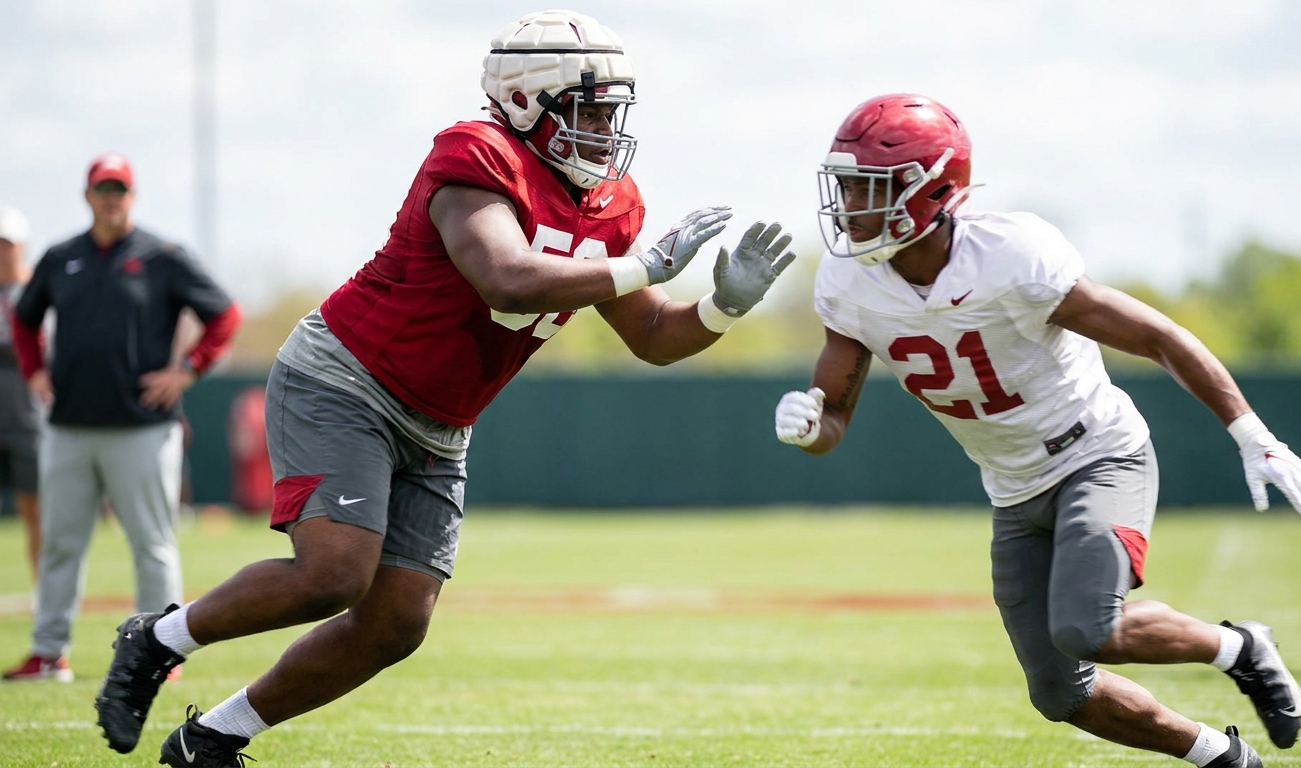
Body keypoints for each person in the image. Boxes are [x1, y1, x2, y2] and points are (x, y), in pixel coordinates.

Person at [93, 10, 796, 766]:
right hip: (349, 380)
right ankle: (158, 638)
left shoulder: (613, 205)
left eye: (609, 110)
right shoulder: (477, 154)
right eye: (586, 108)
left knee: (397, 621)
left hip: (440, 421)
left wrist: (724, 307)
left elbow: (655, 337)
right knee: (334, 574)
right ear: (528, 101)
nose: (602, 127)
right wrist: (645, 267)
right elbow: (507, 275)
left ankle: (213, 738)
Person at [774, 94, 1301, 768]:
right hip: (1012, 486)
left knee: (1086, 627)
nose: (852, 204)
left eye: (871, 186)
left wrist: (1252, 434)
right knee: (1061, 695)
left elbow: (1157, 336)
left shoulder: (1010, 256)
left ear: (936, 192)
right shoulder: (849, 283)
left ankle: (1241, 647)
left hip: (1095, 454)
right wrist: (811, 428)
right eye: (846, 185)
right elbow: (835, 414)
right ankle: (1220, 756)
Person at [2, 155, 242, 684]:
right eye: (103, 188)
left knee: (152, 543)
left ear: (132, 195)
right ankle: (48, 653)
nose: (112, 197)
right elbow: (23, 321)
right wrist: (34, 371)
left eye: (121, 188)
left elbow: (224, 314)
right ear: (88, 195)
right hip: (68, 426)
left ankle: (159, 652)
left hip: (143, 427)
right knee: (61, 542)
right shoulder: (62, 256)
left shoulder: (163, 255)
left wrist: (188, 370)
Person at [0, 207, 43, 586]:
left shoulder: (37, 291)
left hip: (29, 421)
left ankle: (45, 593)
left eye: (7, 245)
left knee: (36, 509)